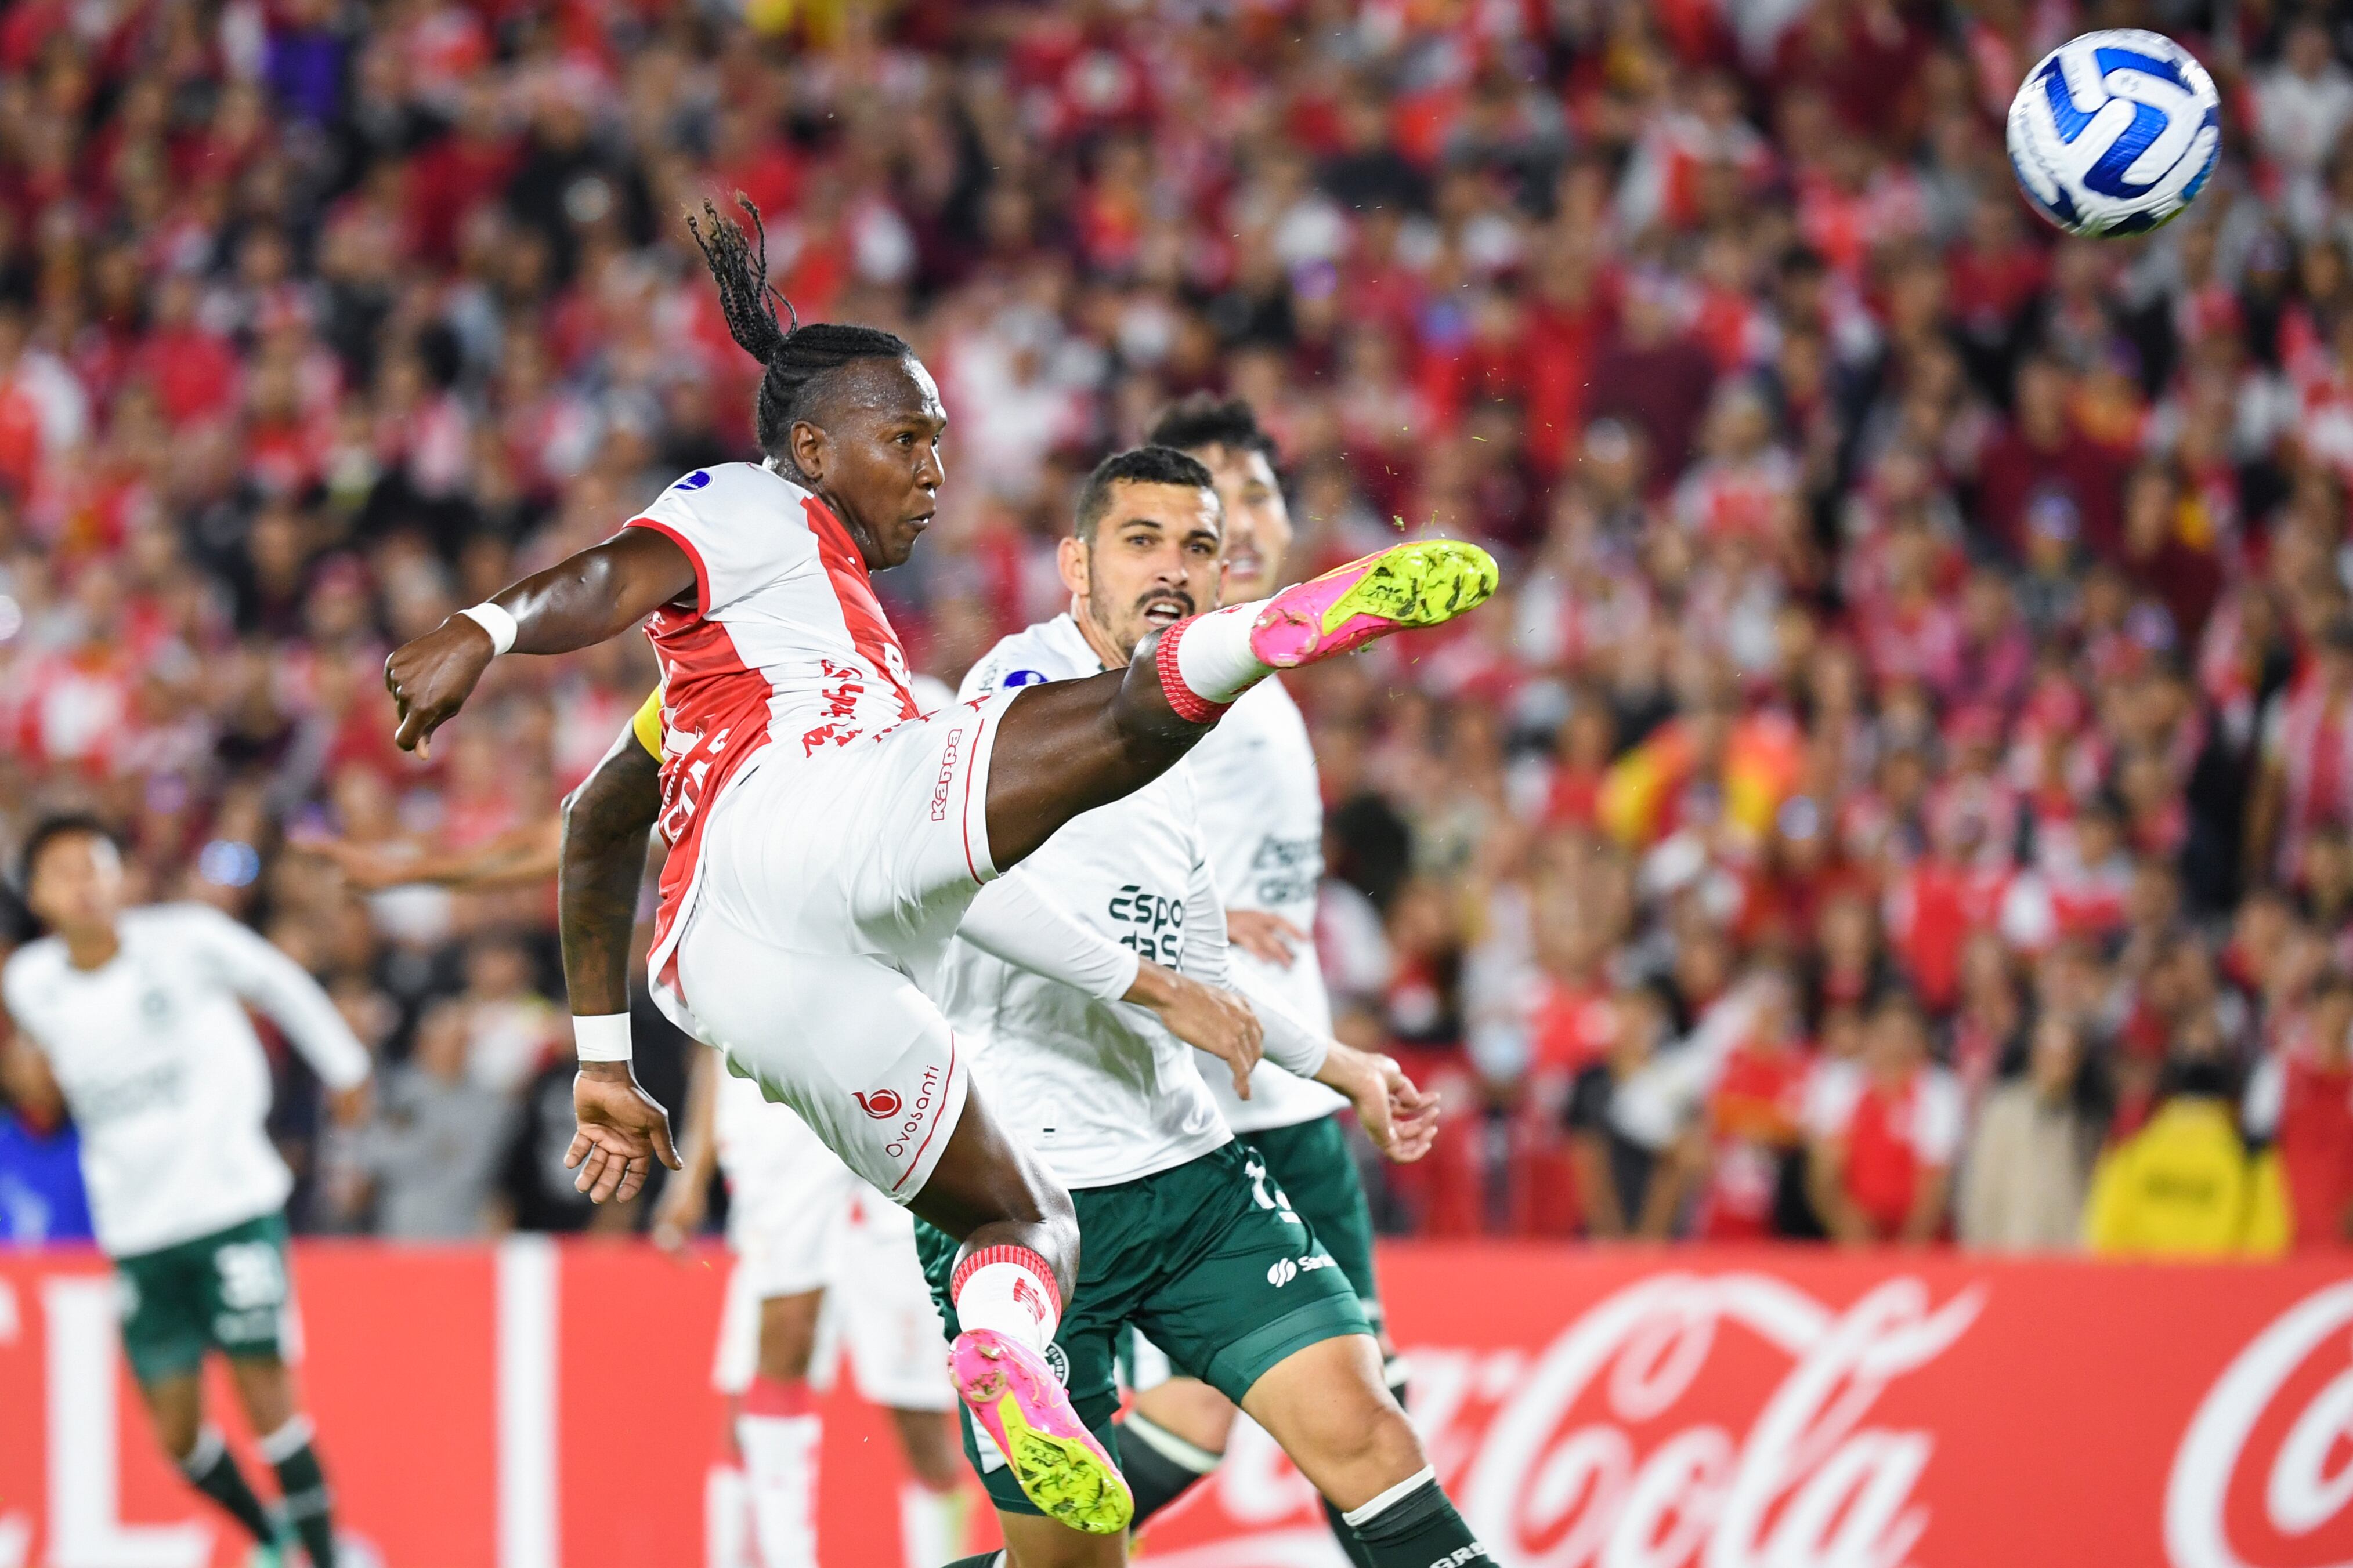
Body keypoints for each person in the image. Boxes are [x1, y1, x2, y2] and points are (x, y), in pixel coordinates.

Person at [379, 195, 1497, 1535]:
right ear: (809, 446)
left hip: (756, 977)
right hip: (814, 820)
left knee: (1014, 1227)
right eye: (906, 438)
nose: (930, 469)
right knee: (1122, 718)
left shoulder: (769, 664)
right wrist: (484, 626)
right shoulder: (755, 510)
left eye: (938, 442)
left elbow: (596, 824)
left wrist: (605, 1062)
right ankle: (1279, 630)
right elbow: (617, 573)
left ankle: (1008, 1353)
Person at [920, 443, 1484, 1568]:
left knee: (1368, 1433)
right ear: (1075, 564)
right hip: (1021, 1194)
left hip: (1185, 1175)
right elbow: (958, 889)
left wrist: (1340, 1065)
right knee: (1080, 1557)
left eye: (1196, 548)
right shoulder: (1014, 700)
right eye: (1141, 543)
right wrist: (1154, 988)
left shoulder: (1167, 738)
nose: (1171, 569)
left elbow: (1197, 973)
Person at [1107, 395, 1410, 1554]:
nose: (1238, 518)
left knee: (1232, 1411)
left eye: (1255, 493)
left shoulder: (1249, 685)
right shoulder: (1182, 665)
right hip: (1234, 1097)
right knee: (1353, 1412)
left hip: (1281, 1088)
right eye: (1207, 501)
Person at [1, 816, 371, 1568]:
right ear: (38, 895)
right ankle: (273, 1539)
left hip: (228, 1201)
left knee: (267, 1395)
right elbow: (51, 1072)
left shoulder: (183, 939)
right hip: (136, 1228)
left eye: (96, 864)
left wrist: (344, 1066)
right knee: (176, 1434)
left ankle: (330, 1558)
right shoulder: (30, 983)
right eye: (63, 870)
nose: (83, 881)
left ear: (120, 878)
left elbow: (275, 979)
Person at [2085, 1053, 2290, 1257]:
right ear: (2231, 1100)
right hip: (2221, 1284)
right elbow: (2267, 1241)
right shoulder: (2251, 1158)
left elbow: (2106, 1233)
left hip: (2147, 1283)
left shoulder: (2130, 1149)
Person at [1956, 1014, 2099, 1250]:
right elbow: (1979, 1189)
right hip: (2010, 1253)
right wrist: (1981, 1249)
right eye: (2050, 1052)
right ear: (2035, 1054)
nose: (2059, 1063)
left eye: (2067, 1055)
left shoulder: (2085, 1118)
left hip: (2065, 1258)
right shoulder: (2002, 1109)